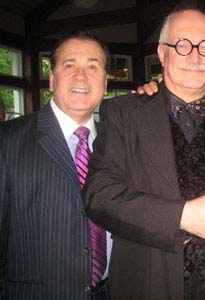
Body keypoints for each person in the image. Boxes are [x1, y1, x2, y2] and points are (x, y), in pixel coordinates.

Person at [84, 7, 205, 300]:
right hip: (148, 283)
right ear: (163, 54)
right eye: (182, 45)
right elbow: (99, 196)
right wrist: (183, 216)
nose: (194, 56)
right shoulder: (123, 113)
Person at [0, 31, 111, 300]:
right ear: (52, 78)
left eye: (92, 67)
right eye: (69, 65)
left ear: (105, 83)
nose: (81, 76)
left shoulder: (117, 143)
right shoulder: (7, 141)